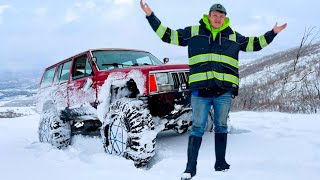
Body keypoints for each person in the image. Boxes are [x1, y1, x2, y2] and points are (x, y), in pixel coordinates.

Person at [140, 1, 287, 179]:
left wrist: (273, 33)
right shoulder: (194, 32)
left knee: (221, 127)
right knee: (197, 128)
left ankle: (221, 163)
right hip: (200, 92)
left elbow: (255, 44)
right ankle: (190, 168)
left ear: (225, 18)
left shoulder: (233, 36)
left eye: (221, 16)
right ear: (209, 16)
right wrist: (150, 16)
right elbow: (167, 35)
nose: (218, 18)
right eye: (215, 15)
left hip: (223, 92)